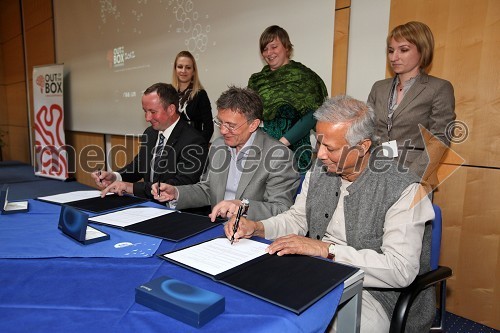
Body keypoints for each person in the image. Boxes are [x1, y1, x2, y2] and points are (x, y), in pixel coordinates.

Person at [225, 95, 436, 332]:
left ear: (363, 146)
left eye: (330, 148)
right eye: (319, 143)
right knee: (258, 300)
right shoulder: (321, 171)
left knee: (313, 323)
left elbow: (400, 270)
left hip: (377, 294)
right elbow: (297, 218)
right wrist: (257, 227)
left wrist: (326, 250)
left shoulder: (405, 188)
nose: (321, 154)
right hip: (316, 273)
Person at [152, 86, 300, 222]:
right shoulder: (218, 146)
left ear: (253, 125)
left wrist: (242, 207)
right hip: (217, 226)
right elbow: (208, 190)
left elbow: (280, 208)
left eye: (231, 126)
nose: (222, 131)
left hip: (253, 233)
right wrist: (176, 193)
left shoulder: (279, 155)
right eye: (220, 123)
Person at [368, 21, 456, 188]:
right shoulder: (379, 87)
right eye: (391, 51)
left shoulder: (439, 88)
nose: (394, 57)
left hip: (415, 178)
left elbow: (440, 138)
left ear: (423, 51)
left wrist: (409, 178)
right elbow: (367, 130)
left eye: (404, 50)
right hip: (376, 174)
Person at [92, 83, 208, 199]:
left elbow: (179, 185)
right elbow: (139, 166)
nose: (147, 118)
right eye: (145, 111)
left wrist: (131, 187)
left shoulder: (194, 140)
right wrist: (115, 176)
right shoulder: (150, 133)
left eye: (153, 112)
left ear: (171, 109)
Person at [248, 25, 328, 174]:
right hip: (261, 149)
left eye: (274, 47)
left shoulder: (304, 76)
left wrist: (281, 144)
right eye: (265, 49)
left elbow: (314, 114)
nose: (269, 53)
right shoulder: (256, 80)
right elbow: (249, 116)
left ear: (286, 47)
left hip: (295, 150)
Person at [172, 50, 214, 143]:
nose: (183, 71)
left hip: (193, 145)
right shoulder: (169, 93)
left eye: (188, 67)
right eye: (180, 67)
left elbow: (209, 128)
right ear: (175, 70)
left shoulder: (200, 94)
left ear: (193, 71)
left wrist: (198, 146)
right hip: (173, 145)